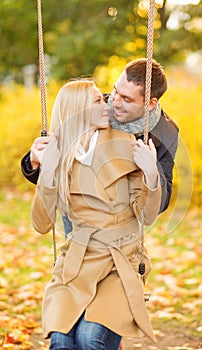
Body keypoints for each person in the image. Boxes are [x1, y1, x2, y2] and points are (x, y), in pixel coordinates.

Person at [30, 78, 161, 350]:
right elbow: (41, 224)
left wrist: (151, 175)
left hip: (119, 262)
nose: (108, 103)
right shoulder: (60, 153)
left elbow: (146, 217)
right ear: (78, 110)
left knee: (91, 339)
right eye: (98, 101)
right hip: (77, 262)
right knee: (62, 341)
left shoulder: (126, 143)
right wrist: (48, 174)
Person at [21, 58, 178, 237]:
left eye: (126, 99)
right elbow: (61, 145)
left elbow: (161, 199)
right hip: (78, 205)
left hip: (121, 212)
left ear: (150, 103)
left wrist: (148, 170)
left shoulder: (166, 134)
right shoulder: (100, 106)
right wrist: (33, 163)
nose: (114, 101)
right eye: (115, 90)